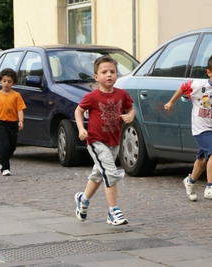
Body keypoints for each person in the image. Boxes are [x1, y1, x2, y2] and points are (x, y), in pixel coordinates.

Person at [164, 52, 212, 201]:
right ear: (209, 72)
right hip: (200, 128)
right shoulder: (198, 86)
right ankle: (210, 187)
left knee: (202, 160)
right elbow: (183, 87)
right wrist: (171, 102)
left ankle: (190, 181)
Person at [74, 55, 135, 225]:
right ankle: (113, 211)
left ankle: (83, 200)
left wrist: (129, 116)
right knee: (110, 172)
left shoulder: (122, 94)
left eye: (113, 72)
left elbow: (131, 109)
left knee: (98, 175)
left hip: (114, 141)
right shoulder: (92, 97)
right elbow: (78, 111)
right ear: (96, 77)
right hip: (96, 141)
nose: (109, 75)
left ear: (117, 75)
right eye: (104, 72)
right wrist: (81, 129)